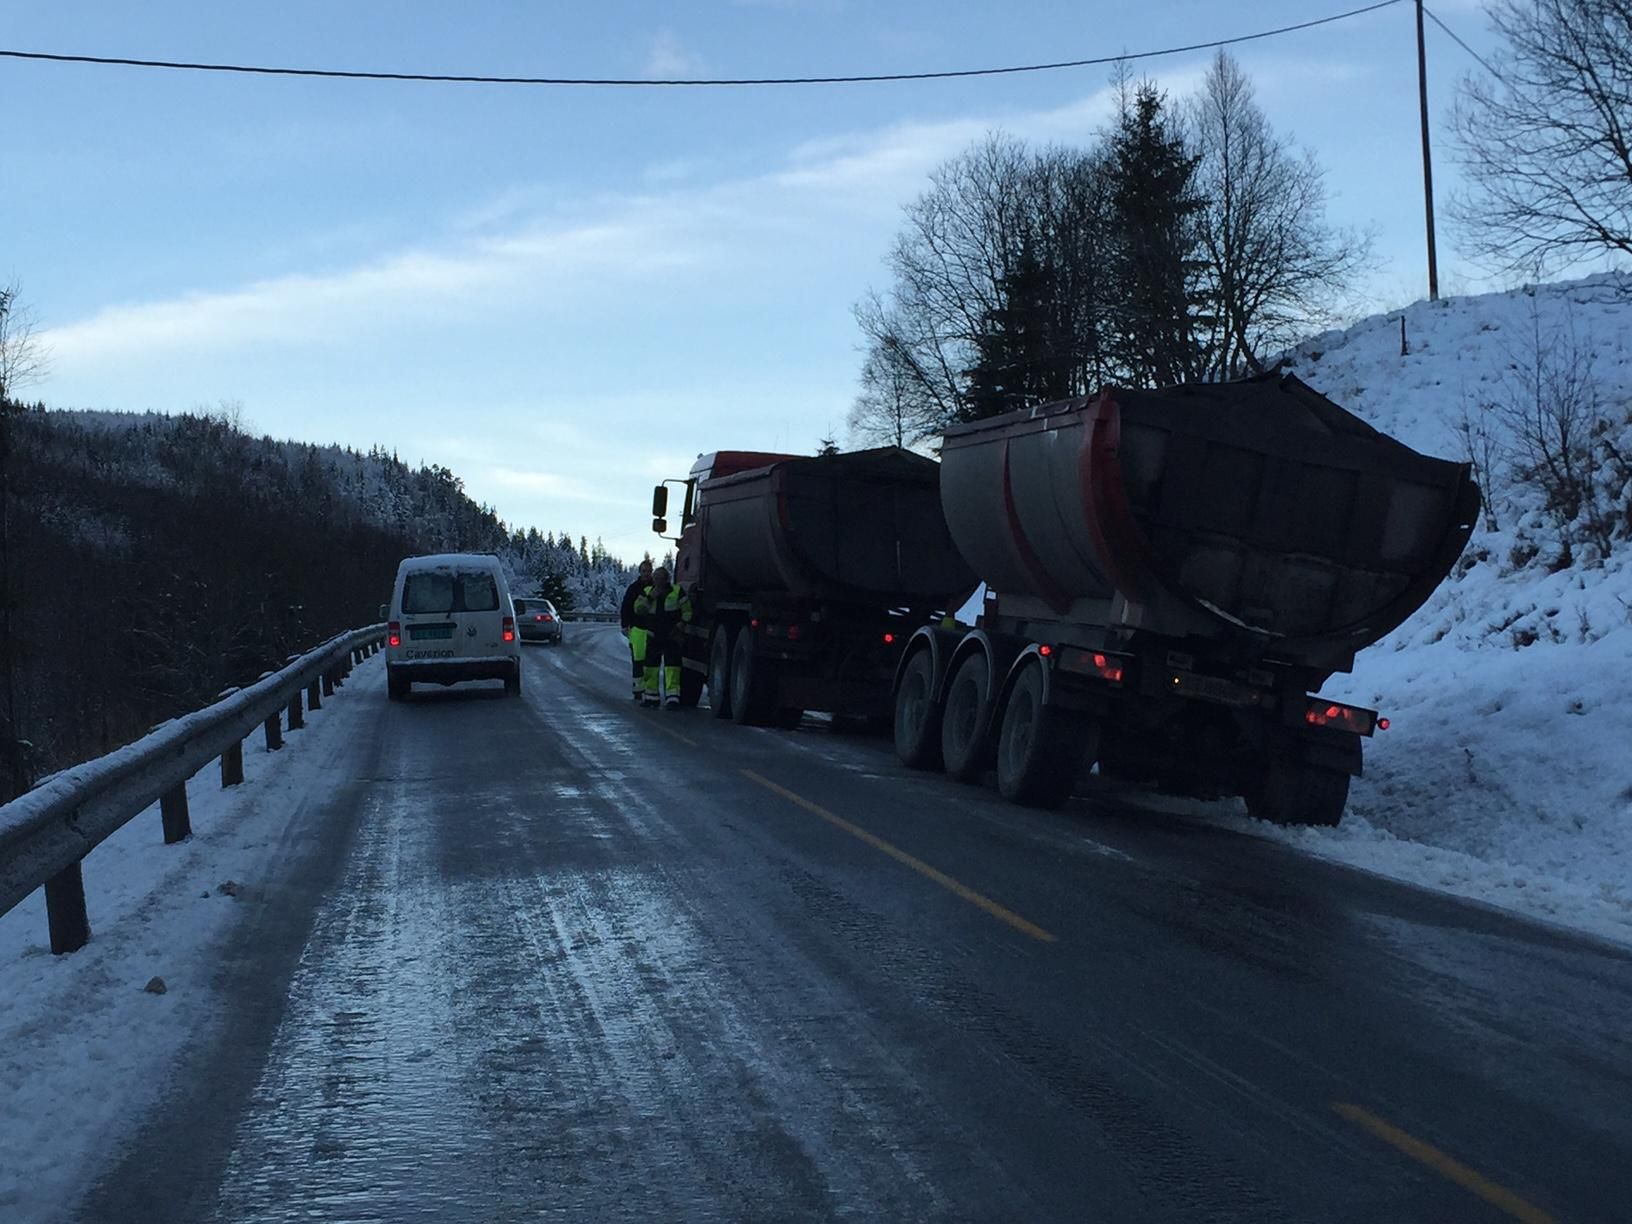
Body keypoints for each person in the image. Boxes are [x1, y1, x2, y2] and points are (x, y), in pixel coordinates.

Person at [632, 566, 693, 709]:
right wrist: (651, 596)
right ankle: (651, 697)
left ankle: (672, 698)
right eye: (657, 578)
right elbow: (639, 610)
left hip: (672, 635)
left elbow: (687, 610)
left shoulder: (677, 591)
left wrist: (681, 625)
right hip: (653, 635)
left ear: (667, 579)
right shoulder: (647, 592)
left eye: (661, 578)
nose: (659, 580)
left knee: (672, 667)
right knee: (650, 667)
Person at [619, 559, 653, 701]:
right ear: (640, 572)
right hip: (637, 629)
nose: (646, 574)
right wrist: (625, 625)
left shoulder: (657, 587)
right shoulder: (634, 588)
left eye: (648, 571)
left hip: (652, 630)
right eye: (643, 571)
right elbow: (626, 607)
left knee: (651, 661)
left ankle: (651, 689)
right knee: (638, 660)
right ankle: (638, 689)